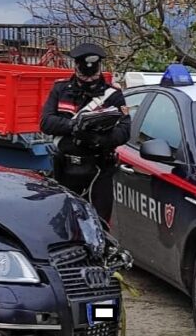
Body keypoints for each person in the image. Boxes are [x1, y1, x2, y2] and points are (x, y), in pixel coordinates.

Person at [40, 43, 130, 222]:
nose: (89, 79)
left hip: (98, 168)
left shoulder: (113, 95)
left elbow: (124, 131)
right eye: (84, 73)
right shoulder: (60, 89)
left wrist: (97, 138)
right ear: (77, 67)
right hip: (64, 169)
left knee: (100, 224)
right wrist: (74, 127)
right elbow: (46, 122)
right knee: (64, 223)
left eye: (93, 73)